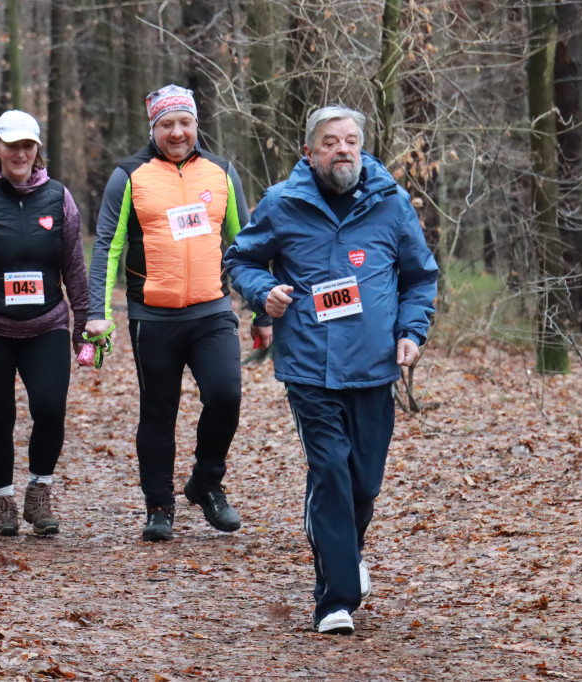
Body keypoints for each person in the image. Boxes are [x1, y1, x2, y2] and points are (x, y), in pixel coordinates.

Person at [223, 105, 438, 634]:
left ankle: (346, 555)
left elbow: (420, 277)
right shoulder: (282, 204)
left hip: (373, 367)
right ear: (310, 152)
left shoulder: (391, 205)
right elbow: (240, 260)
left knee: (364, 483)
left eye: (350, 141)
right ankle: (334, 598)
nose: (341, 150)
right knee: (330, 474)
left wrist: (411, 332)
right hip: (309, 368)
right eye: (329, 142)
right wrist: (261, 292)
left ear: (361, 149)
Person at [85, 85, 268, 542]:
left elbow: (245, 246)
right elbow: (107, 246)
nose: (177, 132)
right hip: (154, 316)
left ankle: (206, 481)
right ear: (154, 128)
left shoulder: (222, 172)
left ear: (195, 124)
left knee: (226, 396)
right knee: (158, 413)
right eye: (167, 124)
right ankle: (159, 506)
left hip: (212, 312)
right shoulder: (129, 175)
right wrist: (97, 310)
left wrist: (261, 309)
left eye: (184, 122)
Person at [0, 109, 89, 537]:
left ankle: (39, 491)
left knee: (50, 408)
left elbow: (74, 264)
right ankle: (3, 501)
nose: (20, 153)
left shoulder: (59, 198)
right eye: (11, 145)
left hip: (46, 324)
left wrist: (84, 323)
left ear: (37, 150)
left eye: (27, 145)